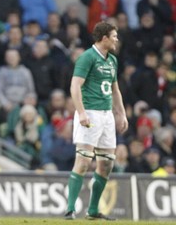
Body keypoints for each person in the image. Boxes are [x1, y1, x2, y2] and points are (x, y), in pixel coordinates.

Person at [64, 21, 128, 220]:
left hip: (106, 116)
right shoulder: (87, 57)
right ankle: (70, 208)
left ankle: (92, 210)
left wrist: (121, 113)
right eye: (114, 36)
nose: (117, 39)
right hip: (90, 113)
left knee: (106, 164)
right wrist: (81, 112)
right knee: (83, 162)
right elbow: (75, 86)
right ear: (104, 38)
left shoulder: (112, 60)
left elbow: (115, 90)